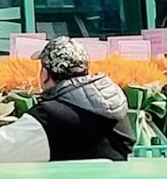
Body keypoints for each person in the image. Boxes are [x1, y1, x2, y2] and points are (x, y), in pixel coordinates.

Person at [27, 34, 133, 162]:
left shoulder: (47, 115)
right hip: (115, 175)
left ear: (45, 75)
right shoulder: (117, 111)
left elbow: (5, 149)